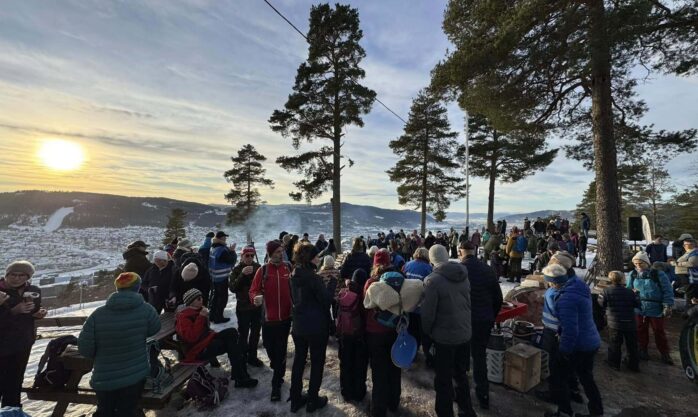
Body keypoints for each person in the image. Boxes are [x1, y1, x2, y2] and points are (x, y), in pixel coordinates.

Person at [78, 272, 161, 417]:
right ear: (137, 288)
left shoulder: (97, 314)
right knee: (128, 410)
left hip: (104, 377)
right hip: (135, 374)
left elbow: (85, 349)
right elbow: (154, 329)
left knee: (104, 411)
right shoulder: (146, 310)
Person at [422, 245, 476, 417]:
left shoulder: (432, 281)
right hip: (464, 333)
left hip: (444, 338)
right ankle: (466, 410)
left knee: (443, 379)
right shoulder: (463, 275)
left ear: (432, 259)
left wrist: (428, 333)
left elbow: (428, 314)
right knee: (461, 374)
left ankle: (444, 412)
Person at [545, 263, 603, 417]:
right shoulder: (579, 287)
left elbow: (571, 330)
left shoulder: (566, 300)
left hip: (579, 345)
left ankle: (564, 411)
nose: (549, 285)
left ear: (555, 282)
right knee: (586, 377)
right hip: (591, 341)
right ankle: (596, 411)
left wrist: (564, 351)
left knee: (559, 378)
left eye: (550, 282)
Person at [288, 242, 337, 413]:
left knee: (299, 361)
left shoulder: (294, 274)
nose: (319, 258)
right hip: (316, 327)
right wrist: (331, 285)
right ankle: (312, 399)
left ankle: (295, 398)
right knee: (317, 363)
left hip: (299, 326)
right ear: (309, 258)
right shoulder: (313, 278)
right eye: (316, 256)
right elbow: (326, 301)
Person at [175, 288, 257, 388]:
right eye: (198, 298)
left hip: (206, 341)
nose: (202, 299)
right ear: (191, 302)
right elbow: (192, 337)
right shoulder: (184, 317)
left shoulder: (199, 310)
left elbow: (205, 331)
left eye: (201, 297)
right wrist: (201, 317)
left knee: (232, 333)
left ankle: (240, 376)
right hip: (197, 350)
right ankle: (241, 377)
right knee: (232, 345)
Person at [459, 241, 501, 409]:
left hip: (464, 319)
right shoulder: (487, 269)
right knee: (479, 356)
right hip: (483, 320)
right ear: (474, 251)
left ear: (461, 251)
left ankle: (461, 394)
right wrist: (491, 316)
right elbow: (498, 297)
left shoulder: (460, 270)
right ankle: (483, 393)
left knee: (461, 357)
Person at [249, 240, 293, 402]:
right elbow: (253, 290)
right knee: (269, 347)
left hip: (285, 318)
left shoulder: (288, 267)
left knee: (281, 350)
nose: (280, 254)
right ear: (269, 253)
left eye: (281, 251)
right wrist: (255, 298)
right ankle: (277, 366)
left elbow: (294, 287)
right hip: (268, 318)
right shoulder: (263, 270)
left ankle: (276, 383)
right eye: (277, 252)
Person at [0, 261, 46, 408]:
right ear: (6, 274)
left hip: (21, 344)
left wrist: (37, 314)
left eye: (22, 275)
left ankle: (11, 412)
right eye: (13, 274)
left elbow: (30, 313)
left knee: (14, 385)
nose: (17, 278)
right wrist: (14, 311)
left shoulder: (33, 290)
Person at [363, 250, 403, 417]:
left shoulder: (371, 282)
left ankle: (378, 409)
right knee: (394, 368)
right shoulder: (399, 280)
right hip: (394, 331)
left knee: (379, 372)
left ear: (375, 263)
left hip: (374, 333)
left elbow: (364, 306)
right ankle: (393, 402)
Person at [627, 251, 674, 364]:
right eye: (636, 263)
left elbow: (667, 290)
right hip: (639, 307)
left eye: (641, 263)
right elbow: (629, 289)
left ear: (647, 263)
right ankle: (642, 350)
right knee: (640, 330)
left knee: (659, 331)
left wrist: (667, 305)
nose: (638, 265)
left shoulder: (658, 274)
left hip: (656, 307)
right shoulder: (633, 274)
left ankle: (664, 353)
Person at [337, 269, 369, 403]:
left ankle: (346, 391)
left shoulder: (343, 292)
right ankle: (359, 392)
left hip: (344, 334)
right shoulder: (363, 294)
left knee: (345, 362)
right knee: (359, 364)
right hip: (359, 335)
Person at [229, 246, 264, 367]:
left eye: (251, 256)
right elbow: (233, 288)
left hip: (256, 307)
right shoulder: (237, 270)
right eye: (247, 256)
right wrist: (242, 275)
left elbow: (264, 285)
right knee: (243, 333)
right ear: (242, 256)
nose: (249, 258)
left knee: (255, 333)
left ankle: (252, 357)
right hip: (243, 307)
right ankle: (243, 356)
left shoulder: (258, 268)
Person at [599, 271, 641, 371]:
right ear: (623, 279)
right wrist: (637, 295)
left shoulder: (606, 291)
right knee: (632, 344)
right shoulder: (630, 292)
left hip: (615, 322)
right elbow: (637, 304)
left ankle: (614, 363)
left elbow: (601, 304)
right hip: (630, 322)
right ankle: (633, 365)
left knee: (615, 343)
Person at [209, 231, 237, 323]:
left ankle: (212, 315)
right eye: (224, 237)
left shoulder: (214, 248)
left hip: (215, 277)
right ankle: (218, 317)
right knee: (222, 298)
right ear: (220, 239)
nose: (225, 239)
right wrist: (232, 252)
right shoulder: (221, 250)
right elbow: (230, 260)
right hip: (221, 278)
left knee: (216, 297)